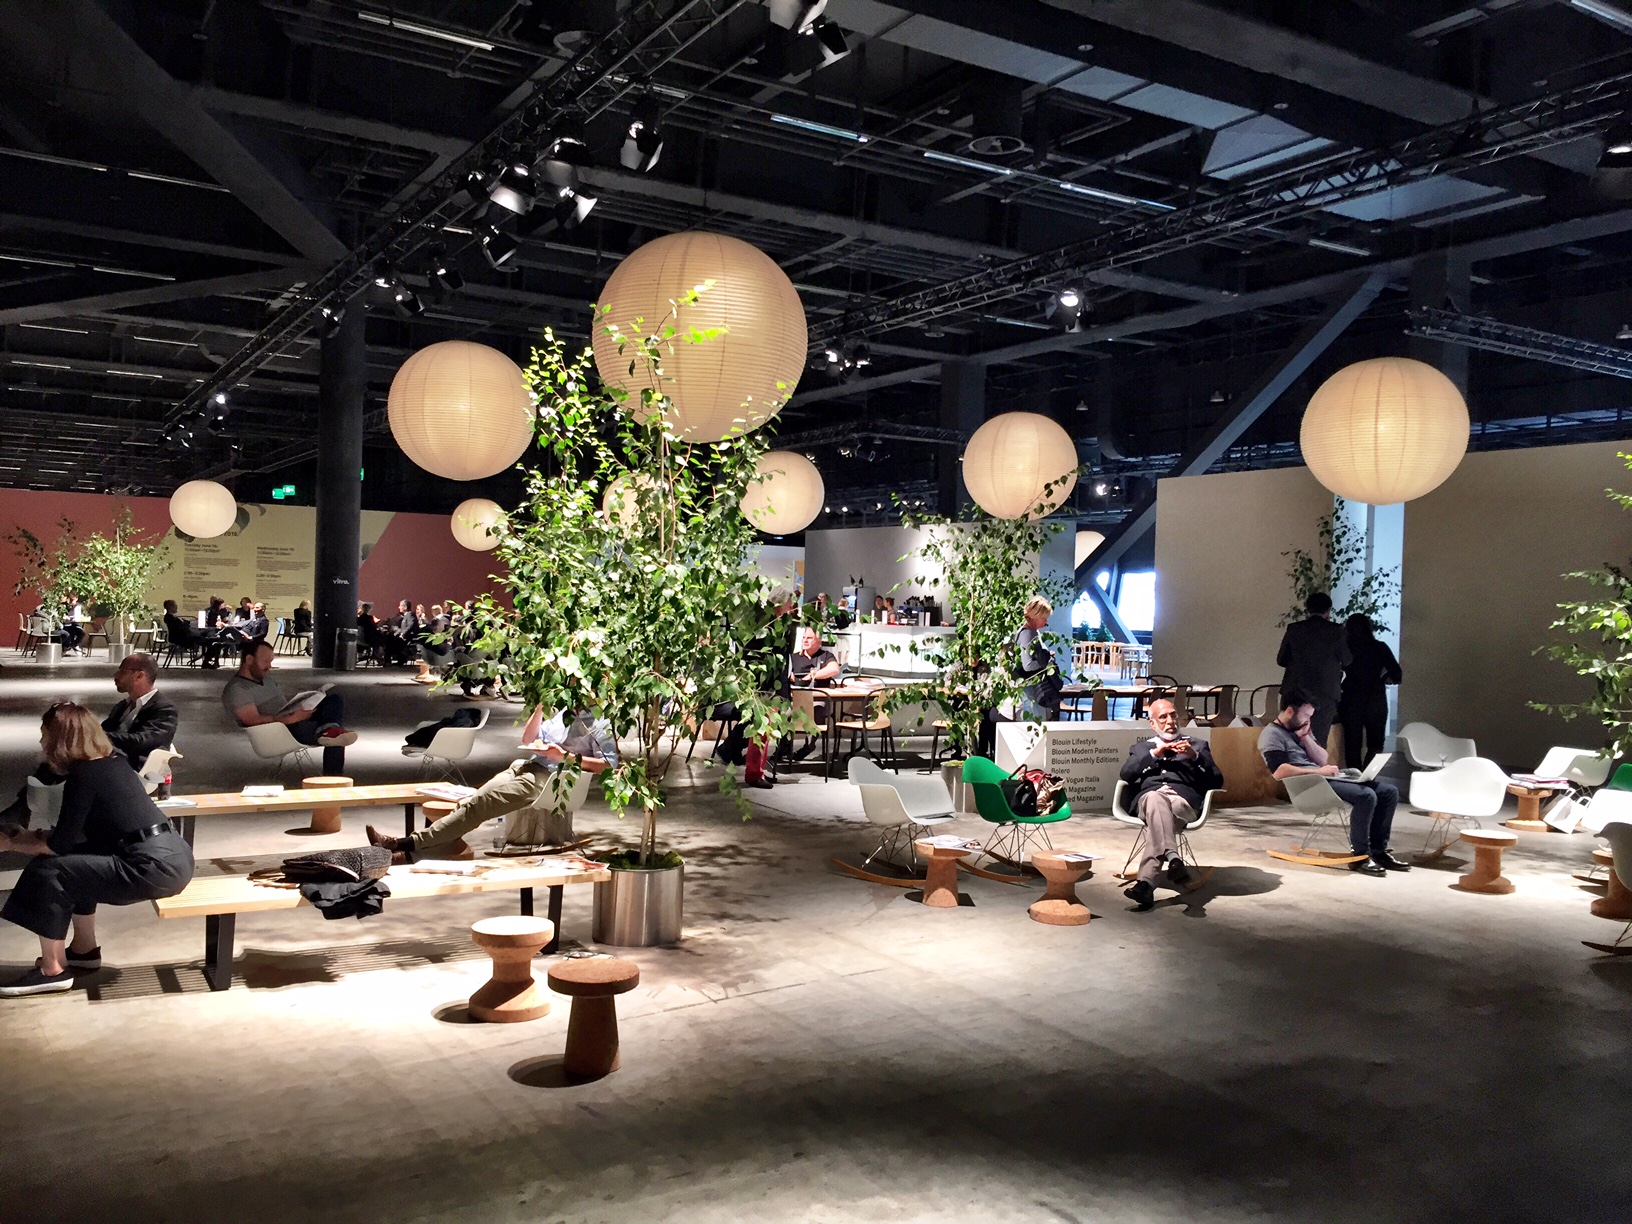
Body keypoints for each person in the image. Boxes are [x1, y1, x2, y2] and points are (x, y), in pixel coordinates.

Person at [0, 703, 193, 996]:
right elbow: (72, 838)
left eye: (44, 735)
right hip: (173, 855)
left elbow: (58, 845)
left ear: (59, 740)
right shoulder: (113, 763)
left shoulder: (84, 774)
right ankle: (84, 951)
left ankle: (52, 970)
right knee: (77, 862)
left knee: (49, 870)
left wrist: (12, 843)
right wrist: (28, 837)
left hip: (151, 866)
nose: (41, 742)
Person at [367, 706, 615, 861]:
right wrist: (540, 706)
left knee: (482, 804)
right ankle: (410, 856)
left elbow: (608, 765)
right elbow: (528, 738)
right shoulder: (563, 712)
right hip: (526, 765)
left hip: (553, 778)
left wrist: (565, 757)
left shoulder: (600, 723)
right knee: (471, 801)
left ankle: (404, 843)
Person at [1259, 688, 1407, 877]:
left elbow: (1322, 759)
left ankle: (1379, 851)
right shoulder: (1271, 735)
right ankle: (1361, 856)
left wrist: (1305, 737)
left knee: (1389, 792)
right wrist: (1317, 772)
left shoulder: (1300, 729)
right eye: (1306, 715)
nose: (1308, 720)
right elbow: (1279, 771)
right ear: (1289, 711)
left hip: (1324, 778)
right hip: (1308, 785)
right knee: (1366, 795)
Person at [1118, 698, 1224, 910]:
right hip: (1149, 800)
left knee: (1160, 816)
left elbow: (1216, 781)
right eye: (1163, 717)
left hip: (1182, 802)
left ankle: (1146, 884)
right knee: (1154, 798)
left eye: (1173, 715)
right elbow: (1126, 774)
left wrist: (1194, 757)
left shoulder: (1197, 745)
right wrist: (1153, 755)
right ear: (1153, 724)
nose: (1170, 721)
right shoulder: (1142, 748)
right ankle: (1173, 858)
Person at [222, 640, 357, 774]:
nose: (269, 666)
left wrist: (301, 707)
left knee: (334, 700)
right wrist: (289, 719)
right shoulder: (238, 688)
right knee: (336, 733)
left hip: (291, 720)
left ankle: (329, 730)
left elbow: (283, 706)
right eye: (265, 661)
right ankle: (332, 762)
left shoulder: (267, 680)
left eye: (271, 661)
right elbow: (251, 720)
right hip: (278, 731)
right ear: (249, 660)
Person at [1276, 592, 1350, 748]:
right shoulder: (1337, 631)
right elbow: (1347, 660)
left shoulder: (1294, 629)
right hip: (1325, 692)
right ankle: (1315, 764)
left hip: (1295, 691)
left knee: (1290, 739)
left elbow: (1281, 660)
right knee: (1318, 740)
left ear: (1307, 609)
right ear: (1328, 610)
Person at [1339, 615, 1401, 771]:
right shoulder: (1380, 647)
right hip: (1375, 698)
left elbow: (1335, 672)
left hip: (1351, 698)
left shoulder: (1346, 648)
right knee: (1376, 744)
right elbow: (1397, 675)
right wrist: (1382, 678)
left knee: (1352, 744)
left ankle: (1354, 776)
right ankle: (1368, 775)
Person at [101, 653, 178, 776]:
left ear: (139, 675)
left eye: (122, 671)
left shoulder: (165, 709)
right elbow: (104, 729)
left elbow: (141, 742)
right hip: (114, 761)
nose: (116, 676)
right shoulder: (123, 705)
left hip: (136, 768)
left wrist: (99, 736)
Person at [1013, 596, 1063, 721]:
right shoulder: (1028, 633)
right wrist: (1046, 663)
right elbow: (1027, 665)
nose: (1046, 621)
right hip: (1031, 686)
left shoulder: (1032, 632)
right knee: (1036, 721)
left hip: (1032, 686)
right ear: (1036, 616)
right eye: (1044, 618)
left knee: (1037, 719)